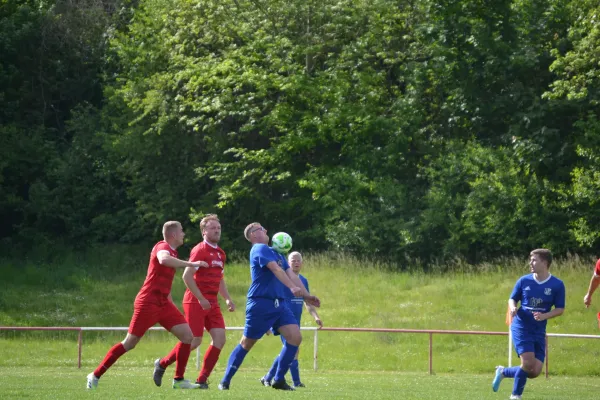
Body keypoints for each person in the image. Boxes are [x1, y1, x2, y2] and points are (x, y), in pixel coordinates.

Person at [86, 221, 207, 390]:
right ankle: (95, 375)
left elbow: (163, 280)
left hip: (163, 304)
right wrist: (191, 264)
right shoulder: (162, 246)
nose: (184, 234)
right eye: (181, 231)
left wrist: (170, 303)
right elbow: (163, 259)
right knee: (129, 343)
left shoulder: (173, 251)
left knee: (188, 337)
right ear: (173, 234)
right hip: (147, 302)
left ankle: (179, 380)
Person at [218, 223, 320, 391]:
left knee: (295, 338)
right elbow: (275, 270)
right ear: (253, 235)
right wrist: (292, 288)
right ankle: (225, 380)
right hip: (261, 303)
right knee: (247, 343)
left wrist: (307, 296)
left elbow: (291, 275)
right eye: (261, 229)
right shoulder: (259, 248)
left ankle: (278, 380)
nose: (266, 230)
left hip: (280, 304)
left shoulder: (276, 253)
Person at [153, 214, 236, 389]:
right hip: (195, 301)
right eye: (213, 228)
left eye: (219, 228)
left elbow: (220, 278)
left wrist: (227, 298)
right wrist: (201, 298)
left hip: (212, 302)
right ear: (204, 231)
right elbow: (187, 276)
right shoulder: (200, 250)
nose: (217, 230)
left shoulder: (220, 253)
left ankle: (202, 380)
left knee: (220, 339)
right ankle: (163, 364)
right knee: (194, 341)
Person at [491, 249, 565, 400]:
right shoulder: (524, 281)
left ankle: (503, 372)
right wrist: (512, 307)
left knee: (534, 371)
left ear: (545, 262)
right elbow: (512, 299)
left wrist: (544, 315)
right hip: (521, 326)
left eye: (534, 260)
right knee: (528, 362)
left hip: (538, 330)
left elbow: (560, 309)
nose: (530, 263)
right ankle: (515, 396)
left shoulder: (557, 285)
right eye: (530, 259)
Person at [260, 251, 322, 388]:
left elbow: (307, 302)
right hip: (283, 321)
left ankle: (267, 377)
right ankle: (296, 382)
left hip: (296, 321)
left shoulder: (303, 281)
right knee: (293, 350)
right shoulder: (282, 280)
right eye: (293, 260)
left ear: (302, 263)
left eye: (298, 260)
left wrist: (316, 317)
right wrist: (268, 323)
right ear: (288, 263)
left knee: (288, 350)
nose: (296, 262)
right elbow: (273, 300)